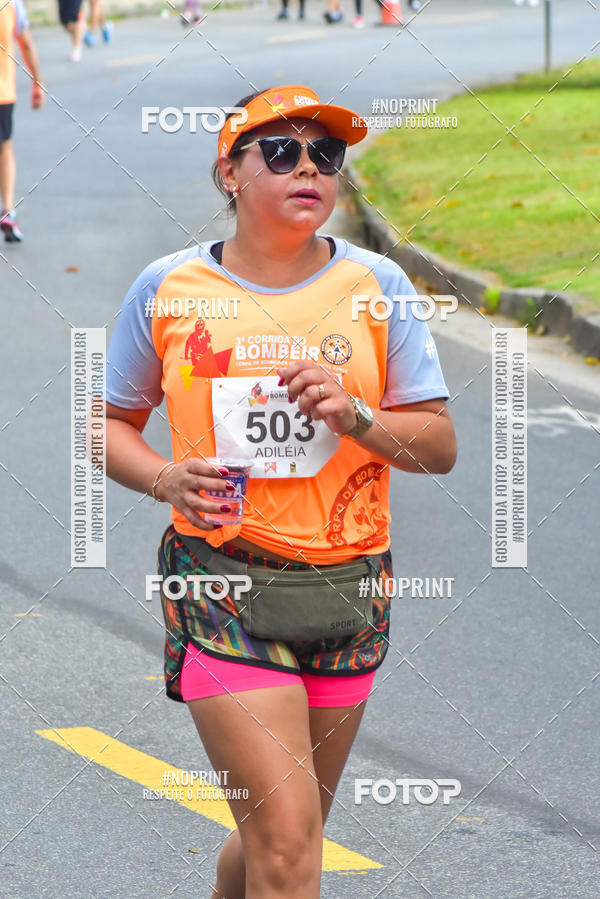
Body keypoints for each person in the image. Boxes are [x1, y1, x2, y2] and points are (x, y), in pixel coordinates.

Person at [105, 84, 457, 898]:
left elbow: (436, 447)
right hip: (223, 584)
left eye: (326, 155)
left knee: (281, 839)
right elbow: (109, 424)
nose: (310, 168)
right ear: (229, 170)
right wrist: (164, 474)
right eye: (282, 151)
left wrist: (358, 414)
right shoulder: (168, 288)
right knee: (291, 847)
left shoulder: (379, 286)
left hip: (348, 590)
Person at [0, 0, 44, 242]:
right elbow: (26, 43)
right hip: (3, 94)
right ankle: (7, 210)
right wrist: (37, 81)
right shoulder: (13, 4)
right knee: (4, 148)